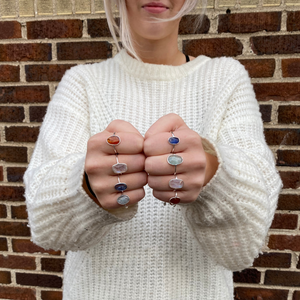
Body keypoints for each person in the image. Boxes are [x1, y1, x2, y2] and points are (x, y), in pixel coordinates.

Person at [24, 0, 282, 299]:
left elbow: (244, 247)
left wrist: (214, 174)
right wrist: (85, 186)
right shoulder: (82, 82)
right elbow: (46, 228)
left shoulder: (225, 79)